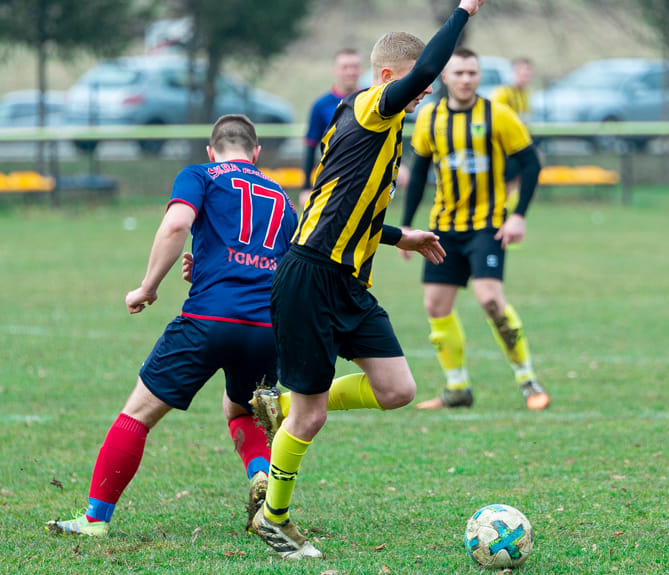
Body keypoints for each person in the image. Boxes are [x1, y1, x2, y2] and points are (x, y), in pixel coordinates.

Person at [248, 0, 484, 561]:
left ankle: (281, 407)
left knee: (398, 390)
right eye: (414, 84)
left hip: (348, 282)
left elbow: (350, 209)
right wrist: (462, 11)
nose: (424, 92)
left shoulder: (384, 129)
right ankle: (274, 519)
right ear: (386, 78)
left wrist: (404, 237)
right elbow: (427, 71)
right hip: (309, 276)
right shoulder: (372, 108)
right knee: (313, 416)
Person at [46, 114, 297, 537]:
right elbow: (279, 264)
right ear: (257, 153)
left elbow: (178, 223)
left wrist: (147, 287)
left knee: (137, 416)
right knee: (242, 410)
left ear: (210, 150)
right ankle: (259, 474)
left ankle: (94, 519)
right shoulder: (284, 198)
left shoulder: (199, 174)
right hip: (266, 327)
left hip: (208, 320)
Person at [399, 48, 550, 412]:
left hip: (487, 225)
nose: (466, 79)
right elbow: (418, 173)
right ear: (445, 79)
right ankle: (457, 388)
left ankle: (527, 379)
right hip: (443, 229)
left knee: (490, 300)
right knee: (435, 305)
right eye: (459, 73)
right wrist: (407, 224)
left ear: (479, 77)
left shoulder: (497, 115)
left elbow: (531, 163)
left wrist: (519, 215)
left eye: (472, 73)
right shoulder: (429, 117)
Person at [299, 48, 363, 209]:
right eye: (345, 67)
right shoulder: (321, 105)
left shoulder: (371, 100)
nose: (350, 72)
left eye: (355, 67)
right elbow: (310, 145)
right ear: (335, 70)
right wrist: (306, 187)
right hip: (332, 182)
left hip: (365, 179)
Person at [491, 57, 536, 210]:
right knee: (505, 184)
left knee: (518, 181)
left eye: (528, 74)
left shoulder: (525, 94)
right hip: (505, 148)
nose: (525, 77)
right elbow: (492, 118)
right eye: (522, 72)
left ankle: (508, 212)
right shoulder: (503, 93)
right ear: (513, 73)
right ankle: (500, 212)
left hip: (519, 146)